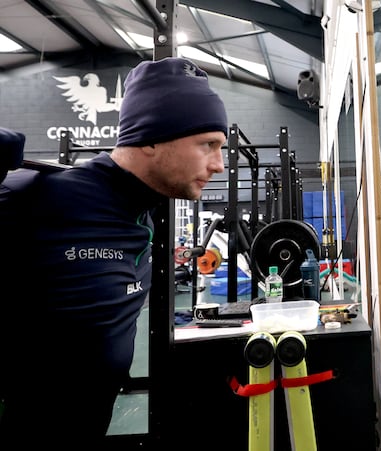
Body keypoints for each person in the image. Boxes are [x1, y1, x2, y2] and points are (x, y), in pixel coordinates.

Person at [0, 57, 228, 448]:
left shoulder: (143, 216)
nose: (219, 164)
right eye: (208, 145)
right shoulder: (31, 198)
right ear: (152, 139)